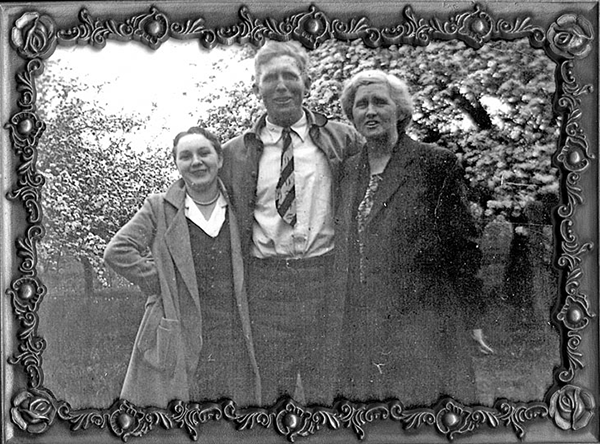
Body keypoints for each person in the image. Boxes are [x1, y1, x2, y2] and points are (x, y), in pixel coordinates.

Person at [335, 70, 492, 405]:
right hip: (364, 325)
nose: (370, 111)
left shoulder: (434, 163)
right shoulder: (348, 170)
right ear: (352, 116)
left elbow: (462, 244)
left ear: (400, 111)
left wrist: (472, 316)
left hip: (424, 322)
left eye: (380, 102)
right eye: (361, 105)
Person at [221, 40, 362, 406]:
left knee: (331, 393)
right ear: (256, 89)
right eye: (270, 79)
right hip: (265, 285)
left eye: (290, 76)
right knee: (270, 394)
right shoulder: (234, 152)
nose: (281, 86)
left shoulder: (343, 139)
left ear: (307, 84)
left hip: (326, 278)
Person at [104, 127, 261, 407]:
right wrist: (161, 281)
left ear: (220, 160)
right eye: (185, 156)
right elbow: (118, 252)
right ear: (177, 164)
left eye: (204, 153)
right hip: (180, 330)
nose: (196, 162)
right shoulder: (159, 208)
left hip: (232, 331)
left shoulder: (238, 205)